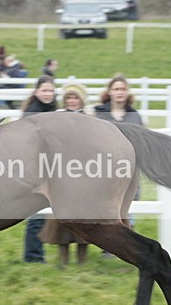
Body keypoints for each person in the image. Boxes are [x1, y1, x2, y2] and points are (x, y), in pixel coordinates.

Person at [40, 83, 91, 265]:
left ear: (81, 100)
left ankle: (82, 261)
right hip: (61, 173)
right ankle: (63, 260)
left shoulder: (90, 120)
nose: (72, 101)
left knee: (85, 217)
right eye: (69, 97)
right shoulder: (58, 119)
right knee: (61, 218)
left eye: (75, 97)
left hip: (84, 173)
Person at [94, 74, 144, 235]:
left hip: (128, 173)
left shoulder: (135, 116)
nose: (120, 92)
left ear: (127, 92)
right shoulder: (99, 114)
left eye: (123, 89)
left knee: (127, 216)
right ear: (109, 92)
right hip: (104, 172)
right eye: (116, 89)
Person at [20, 76, 58, 263]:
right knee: (37, 214)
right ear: (36, 92)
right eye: (44, 90)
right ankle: (33, 256)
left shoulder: (51, 111)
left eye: (51, 90)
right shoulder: (33, 113)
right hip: (34, 170)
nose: (48, 94)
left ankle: (35, 254)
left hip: (46, 168)